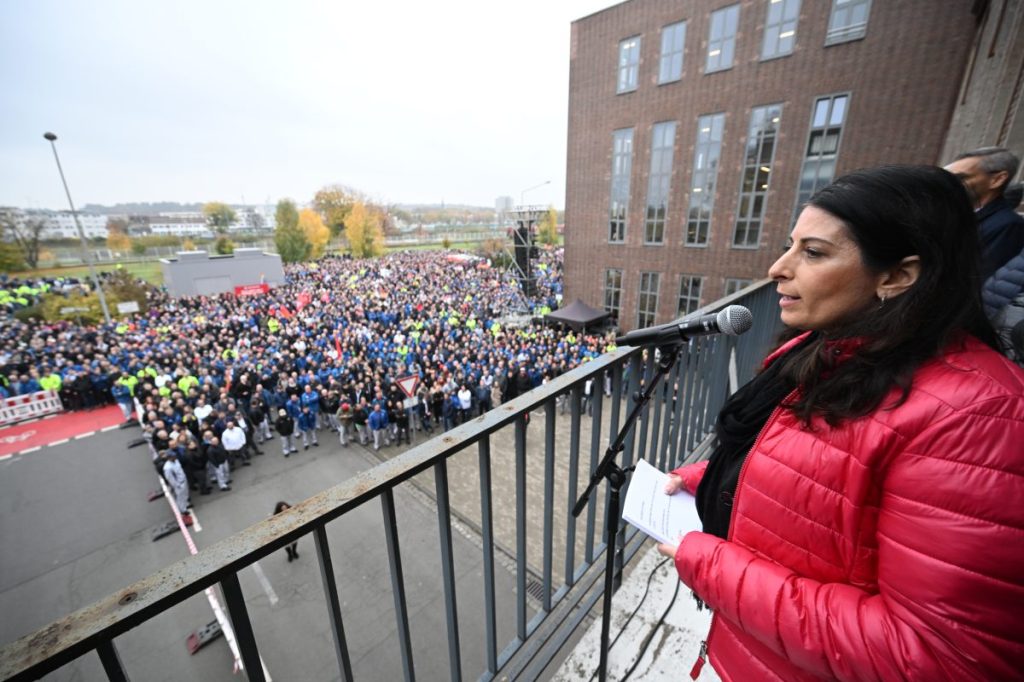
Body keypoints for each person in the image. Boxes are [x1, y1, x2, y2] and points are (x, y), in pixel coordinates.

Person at [657, 166, 1024, 680]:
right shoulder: (831, 351)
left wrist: (713, 566)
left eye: (813, 253)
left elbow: (936, 657)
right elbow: (830, 488)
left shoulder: (978, 417)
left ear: (898, 276)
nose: (777, 268)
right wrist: (719, 480)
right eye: (790, 246)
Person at [945, 146, 1024, 280]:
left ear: (997, 179)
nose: (948, 184)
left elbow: (977, 279)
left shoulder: (1008, 226)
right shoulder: (950, 214)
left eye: (960, 178)